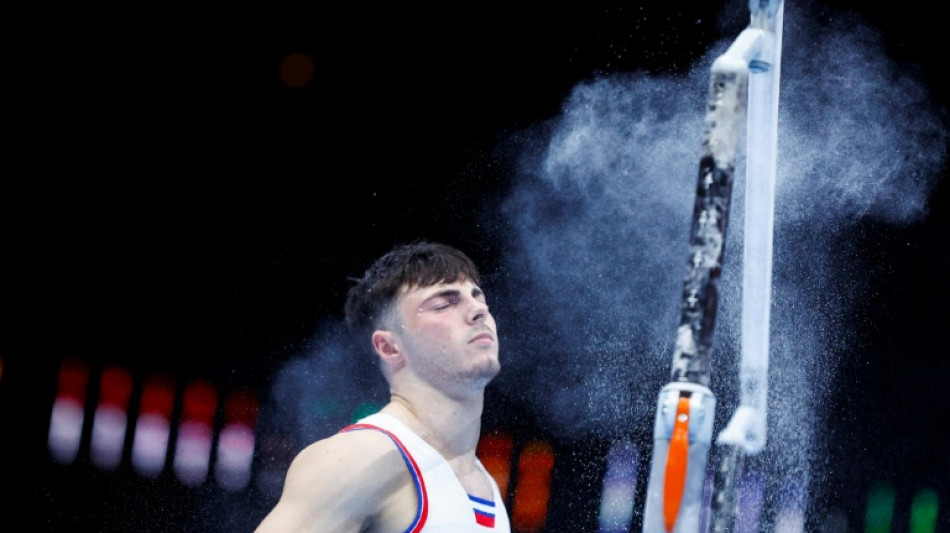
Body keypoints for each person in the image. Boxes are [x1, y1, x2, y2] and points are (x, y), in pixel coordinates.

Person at [255, 240, 511, 532]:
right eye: (444, 303)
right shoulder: (355, 458)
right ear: (390, 347)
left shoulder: (486, 482)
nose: (478, 310)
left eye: (478, 297)